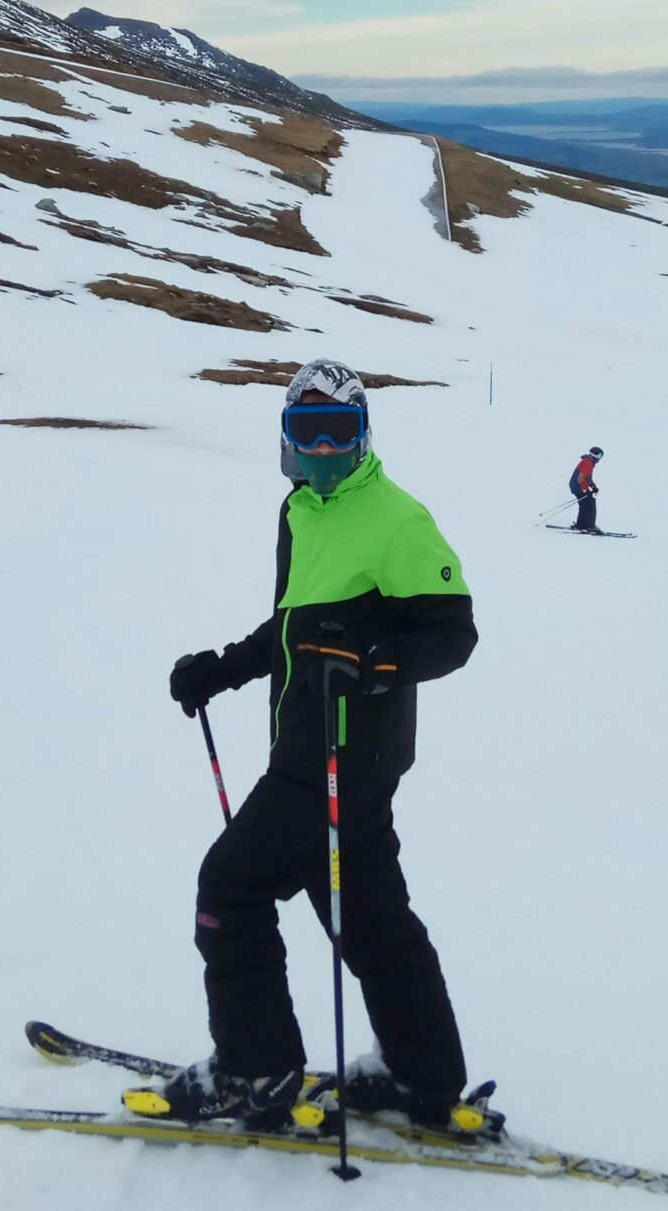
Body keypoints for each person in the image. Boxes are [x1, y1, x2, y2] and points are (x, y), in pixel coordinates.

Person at [162, 359, 477, 1133]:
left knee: (230, 889)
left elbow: (452, 633)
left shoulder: (397, 520)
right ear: (287, 438)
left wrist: (372, 665)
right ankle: (421, 1075)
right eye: (309, 431)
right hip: (336, 759)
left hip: (334, 760)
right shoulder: (302, 510)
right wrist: (225, 668)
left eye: (341, 431)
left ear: (365, 434)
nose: (326, 447)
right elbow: (297, 628)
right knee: (370, 918)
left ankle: (254, 1070)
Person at [568, 445, 603, 534]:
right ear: (595, 457)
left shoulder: (589, 462)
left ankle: (581, 524)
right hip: (577, 486)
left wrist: (593, 487)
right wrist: (585, 490)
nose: (599, 461)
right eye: (599, 459)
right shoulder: (587, 463)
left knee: (584, 505)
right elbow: (580, 478)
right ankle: (589, 526)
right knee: (590, 504)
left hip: (576, 486)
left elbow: (588, 478)